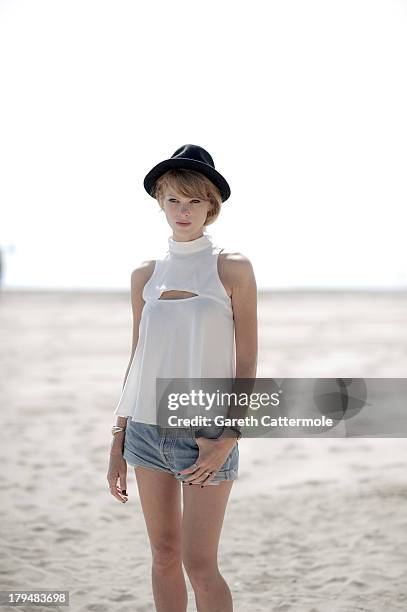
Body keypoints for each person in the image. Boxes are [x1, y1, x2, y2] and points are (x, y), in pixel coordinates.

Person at [107, 144, 258, 612]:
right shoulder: (144, 275)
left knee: (200, 565)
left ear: (211, 205)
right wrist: (118, 439)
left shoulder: (231, 268)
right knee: (164, 557)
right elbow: (138, 360)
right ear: (160, 203)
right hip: (146, 433)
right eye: (174, 199)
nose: (183, 210)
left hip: (205, 435)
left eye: (194, 200)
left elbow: (247, 364)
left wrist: (228, 438)